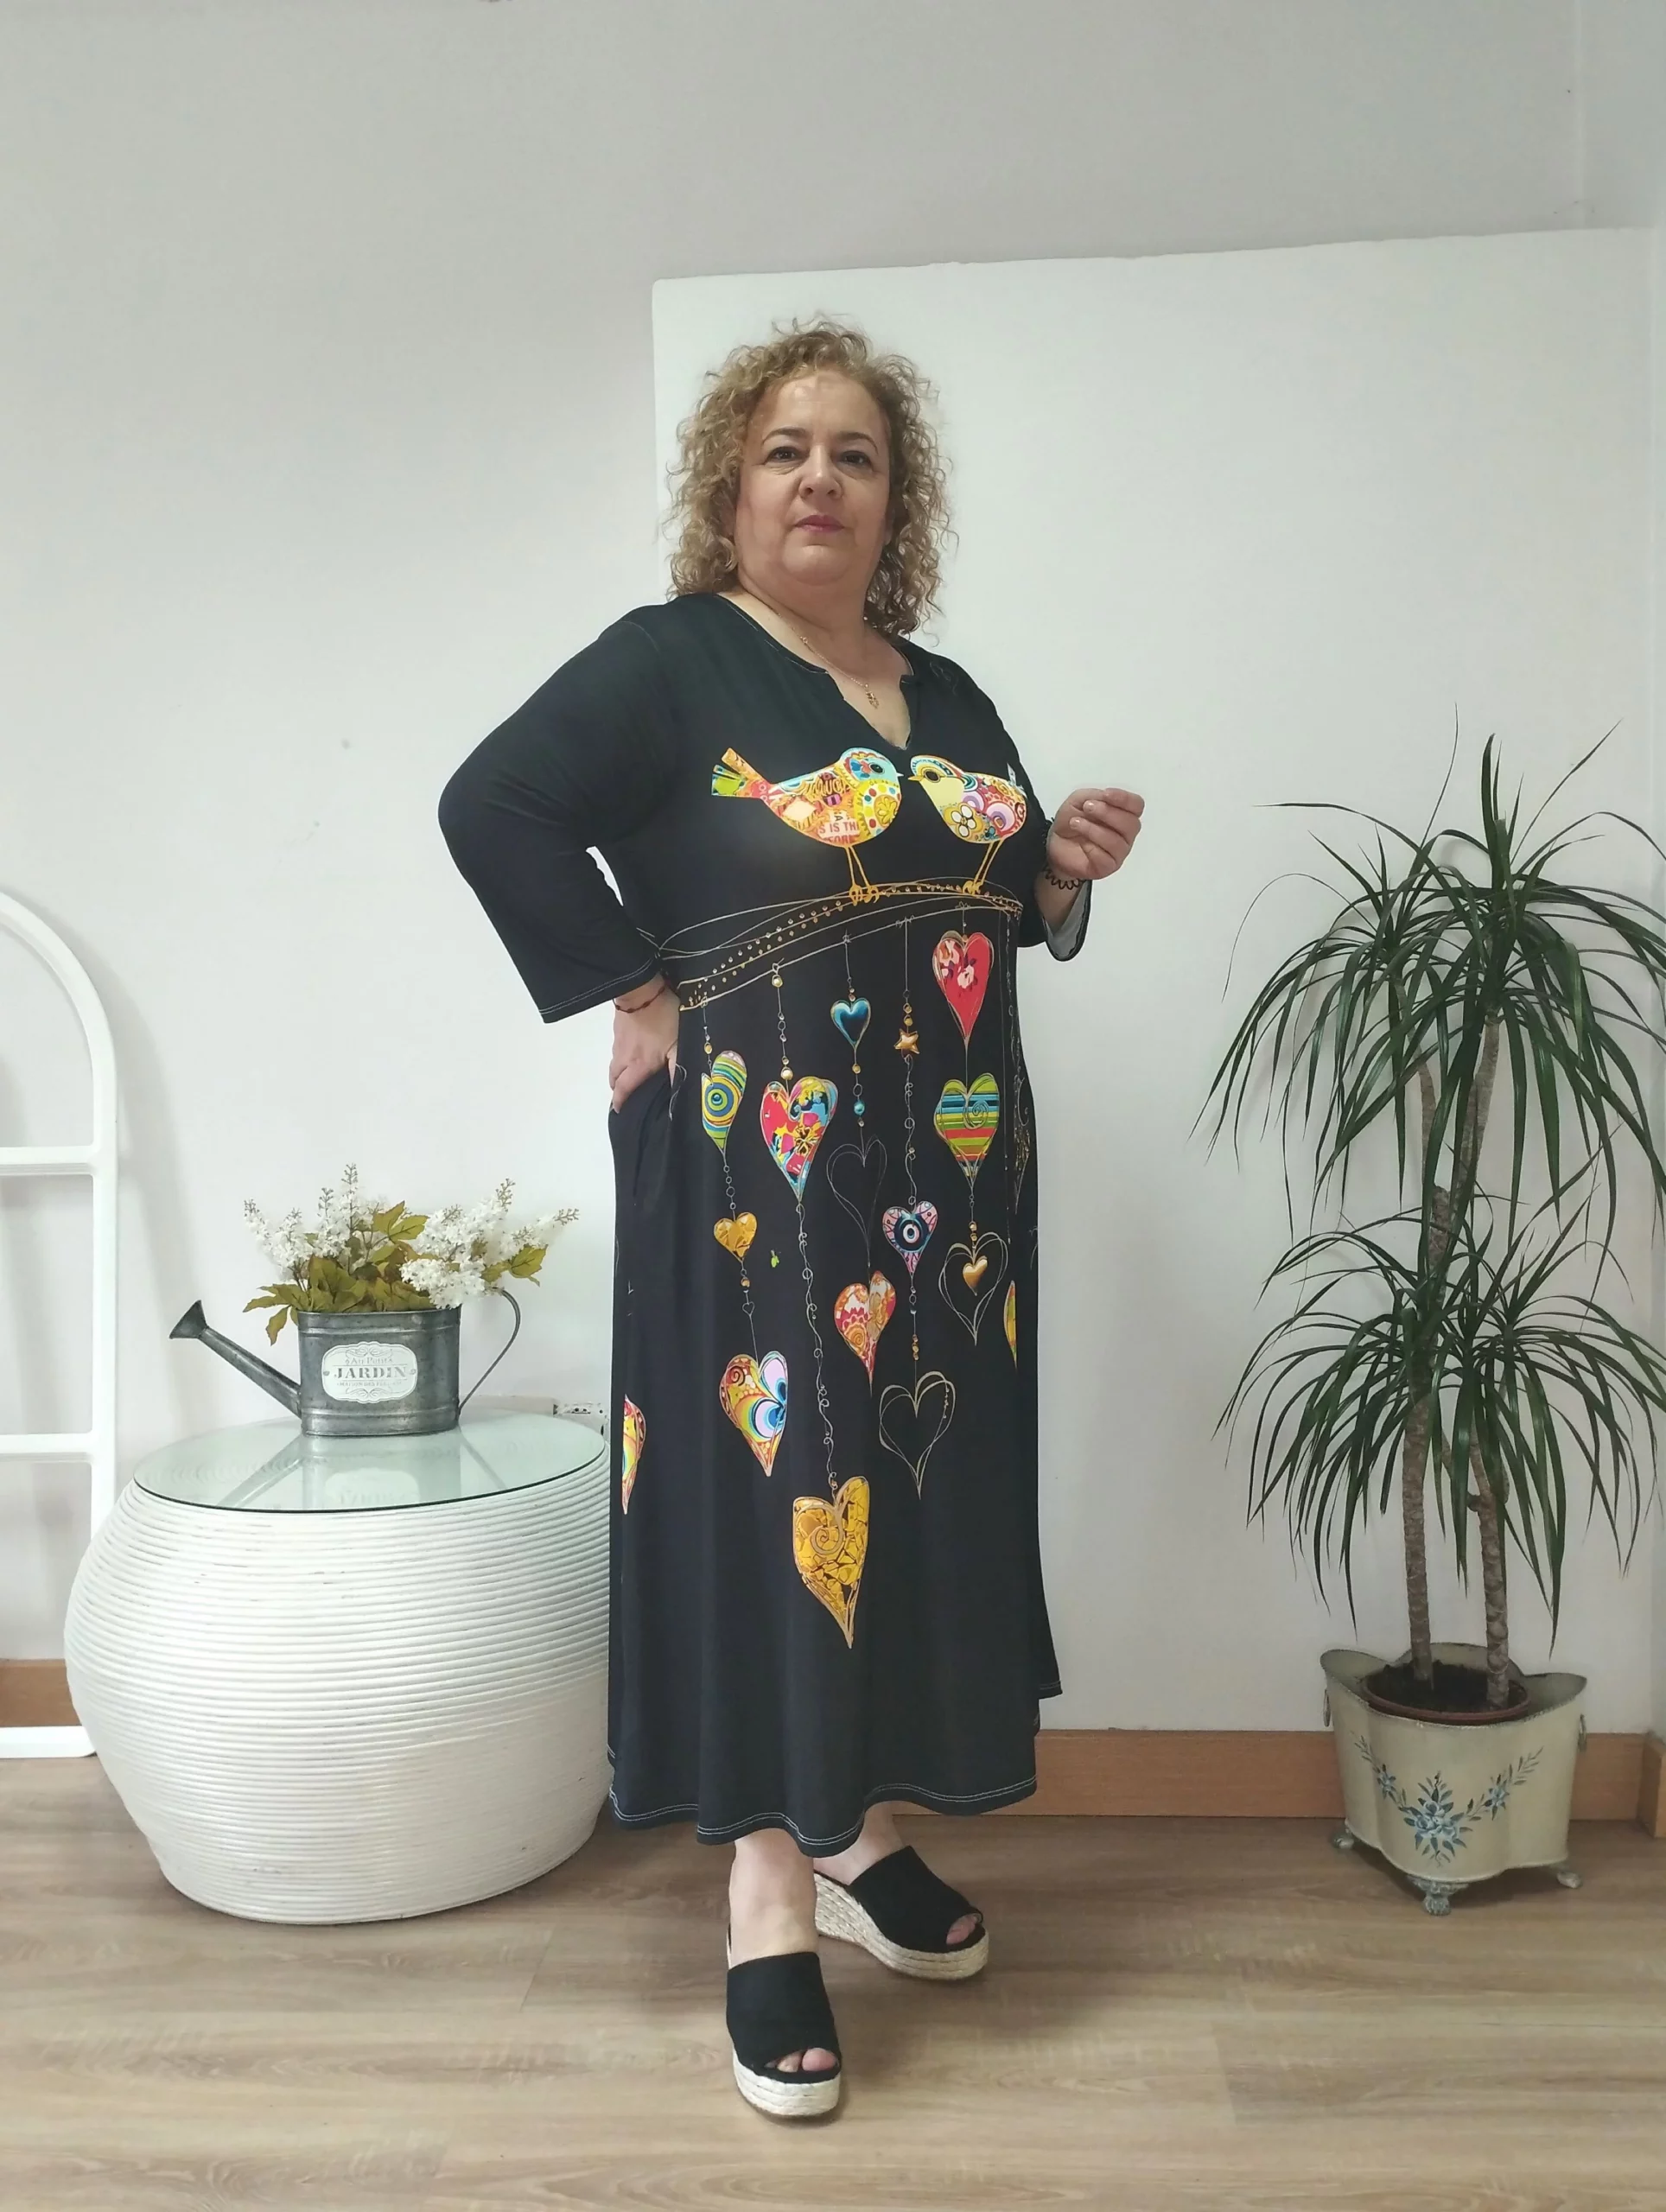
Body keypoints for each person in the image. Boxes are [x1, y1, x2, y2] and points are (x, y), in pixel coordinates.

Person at [438, 317, 1143, 2120]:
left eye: (855, 453)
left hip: (951, 1186)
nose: (820, 478)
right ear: (731, 488)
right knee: (776, 1490)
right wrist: (636, 987)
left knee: (909, 1486)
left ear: (897, 498)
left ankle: (858, 1825)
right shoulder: (674, 663)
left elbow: (989, 894)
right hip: (757, 1172)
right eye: (784, 449)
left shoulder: (948, 692)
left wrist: (1056, 873)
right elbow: (491, 803)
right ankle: (767, 1883)